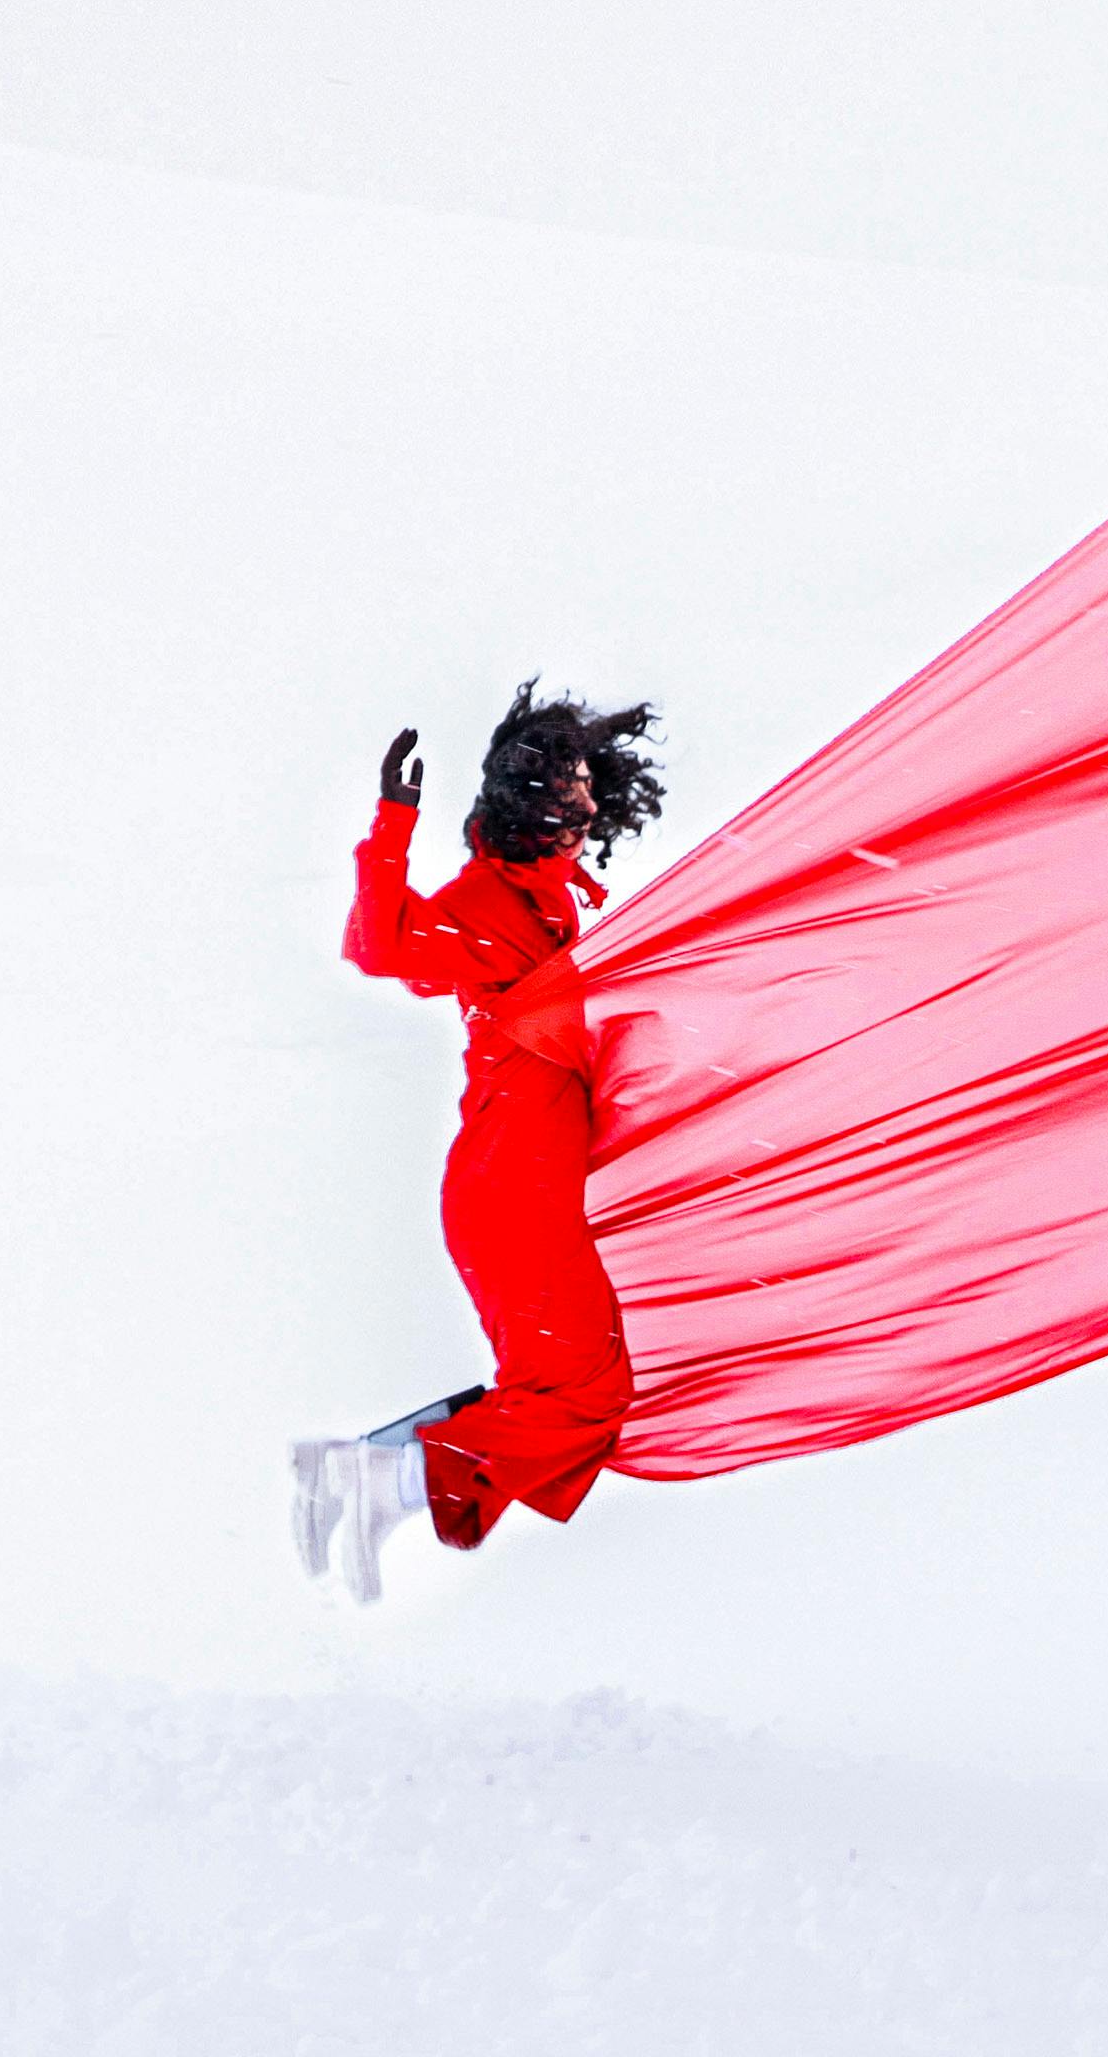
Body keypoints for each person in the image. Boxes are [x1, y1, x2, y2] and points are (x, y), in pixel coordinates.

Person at [288, 682, 666, 1600]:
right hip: (513, 1185)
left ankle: (375, 1465)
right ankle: (394, 1474)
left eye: (585, 775)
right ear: (524, 795)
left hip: (529, 1182)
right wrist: (390, 824)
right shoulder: (488, 901)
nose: (580, 794)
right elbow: (381, 947)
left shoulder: (567, 902)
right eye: (562, 779)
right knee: (583, 1394)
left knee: (560, 1389)